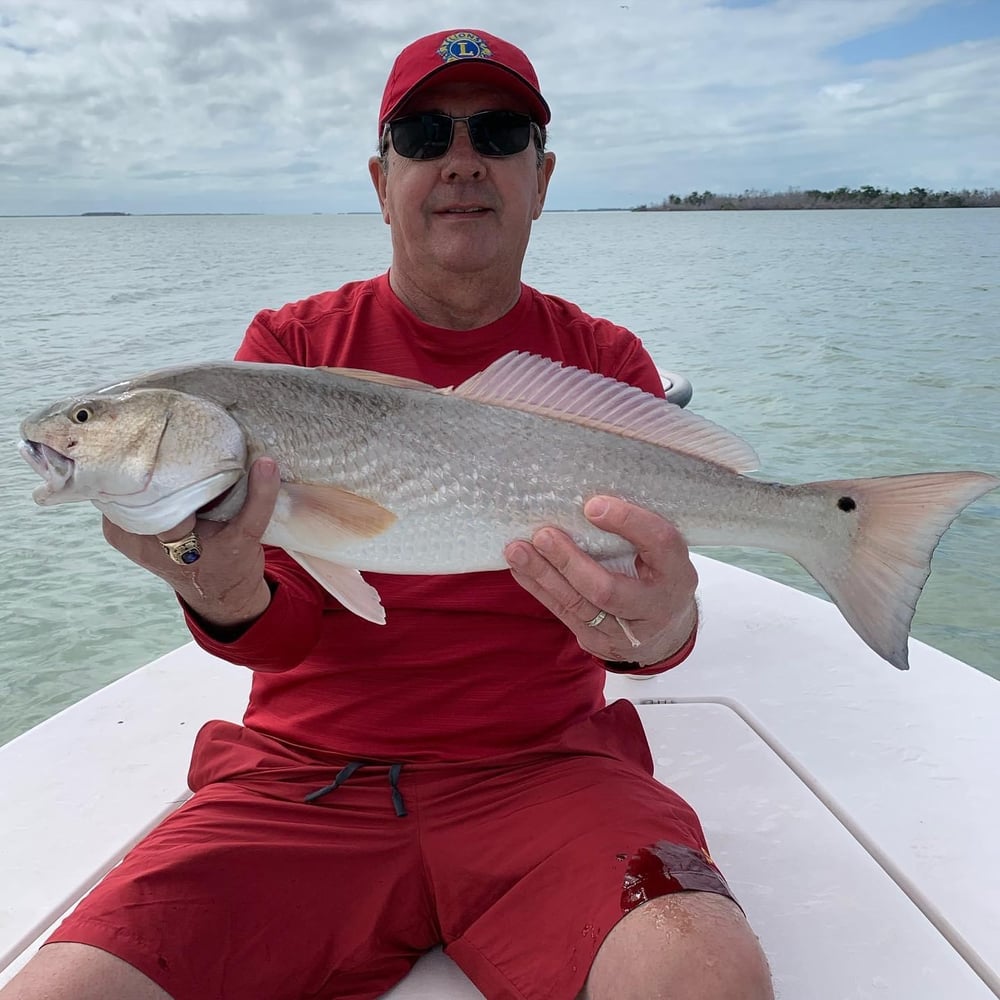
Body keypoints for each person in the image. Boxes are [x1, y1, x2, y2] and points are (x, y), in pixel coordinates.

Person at [3, 28, 772, 1000]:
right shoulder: (285, 349)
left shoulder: (604, 361)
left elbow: (645, 632)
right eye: (421, 134)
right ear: (380, 179)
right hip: (300, 782)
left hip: (548, 776)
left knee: (703, 978)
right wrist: (222, 593)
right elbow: (280, 631)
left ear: (541, 175)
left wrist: (662, 625)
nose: (460, 161)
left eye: (496, 132)